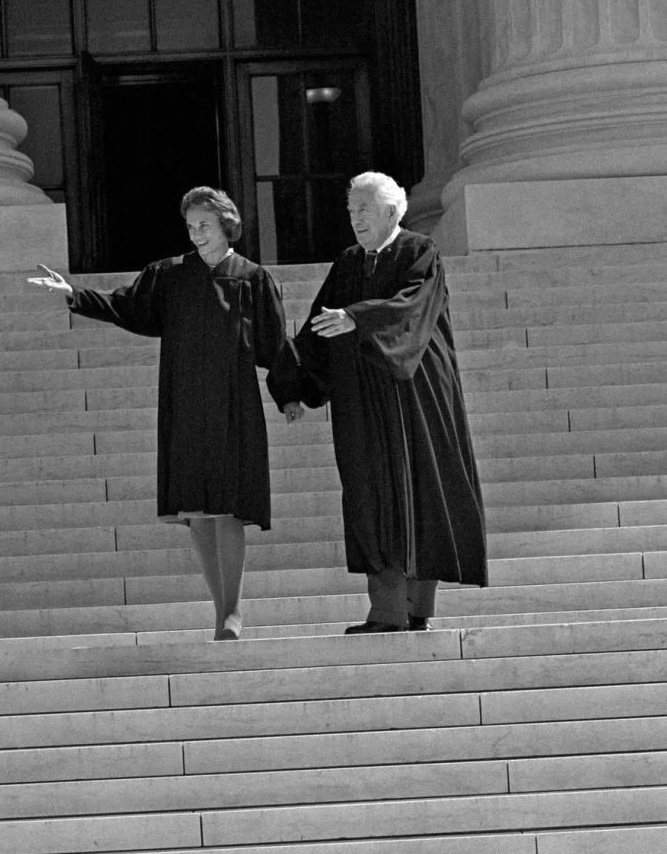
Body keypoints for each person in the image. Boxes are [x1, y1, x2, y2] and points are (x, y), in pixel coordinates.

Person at [29, 186, 287, 641]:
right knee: (198, 511)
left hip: (233, 405)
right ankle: (218, 611)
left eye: (204, 225)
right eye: (190, 226)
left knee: (227, 508)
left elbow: (274, 346)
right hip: (184, 402)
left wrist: (292, 394)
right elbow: (126, 306)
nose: (196, 233)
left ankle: (234, 611)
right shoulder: (171, 276)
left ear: (226, 224)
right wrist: (75, 293)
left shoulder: (251, 278)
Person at [268, 171, 487, 633]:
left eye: (363, 209)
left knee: (421, 491)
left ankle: (414, 608)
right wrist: (292, 385)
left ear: (391, 210)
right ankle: (387, 610)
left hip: (415, 396)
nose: (355, 219)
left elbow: (412, 306)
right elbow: (319, 327)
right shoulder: (349, 263)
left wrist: (357, 317)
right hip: (361, 402)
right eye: (350, 210)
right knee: (369, 495)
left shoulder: (419, 252)